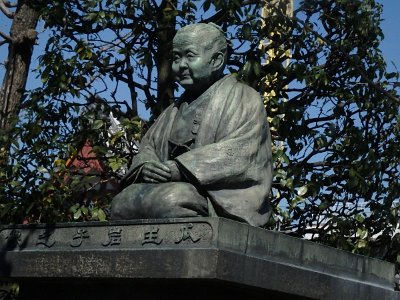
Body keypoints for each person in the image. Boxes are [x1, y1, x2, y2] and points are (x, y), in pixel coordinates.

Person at [111, 23, 273, 227]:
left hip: (213, 197)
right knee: (121, 203)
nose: (181, 65)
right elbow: (149, 147)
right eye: (176, 58)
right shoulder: (173, 110)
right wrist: (146, 167)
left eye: (190, 55)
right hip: (168, 188)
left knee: (172, 199)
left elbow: (242, 152)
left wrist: (181, 168)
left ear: (216, 61)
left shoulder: (244, 98)